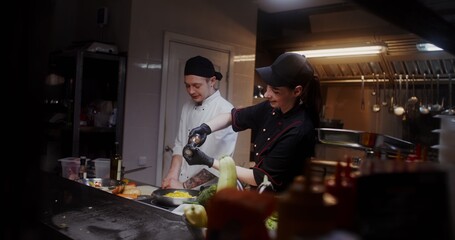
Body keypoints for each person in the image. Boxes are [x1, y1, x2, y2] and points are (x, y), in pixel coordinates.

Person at [183, 53, 322, 192]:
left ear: (297, 91)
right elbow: (232, 117)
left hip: (284, 203)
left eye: (275, 91)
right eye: (268, 86)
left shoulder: (299, 130)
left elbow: (259, 177)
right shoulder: (271, 107)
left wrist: (208, 161)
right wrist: (205, 129)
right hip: (261, 194)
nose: (267, 94)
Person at [161, 55, 238, 190]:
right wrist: (172, 176)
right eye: (187, 86)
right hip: (180, 185)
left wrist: (184, 186)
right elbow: (180, 144)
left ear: (212, 81)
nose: (191, 91)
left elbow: (220, 164)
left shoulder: (226, 111)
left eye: (196, 85)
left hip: (207, 191)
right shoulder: (187, 106)